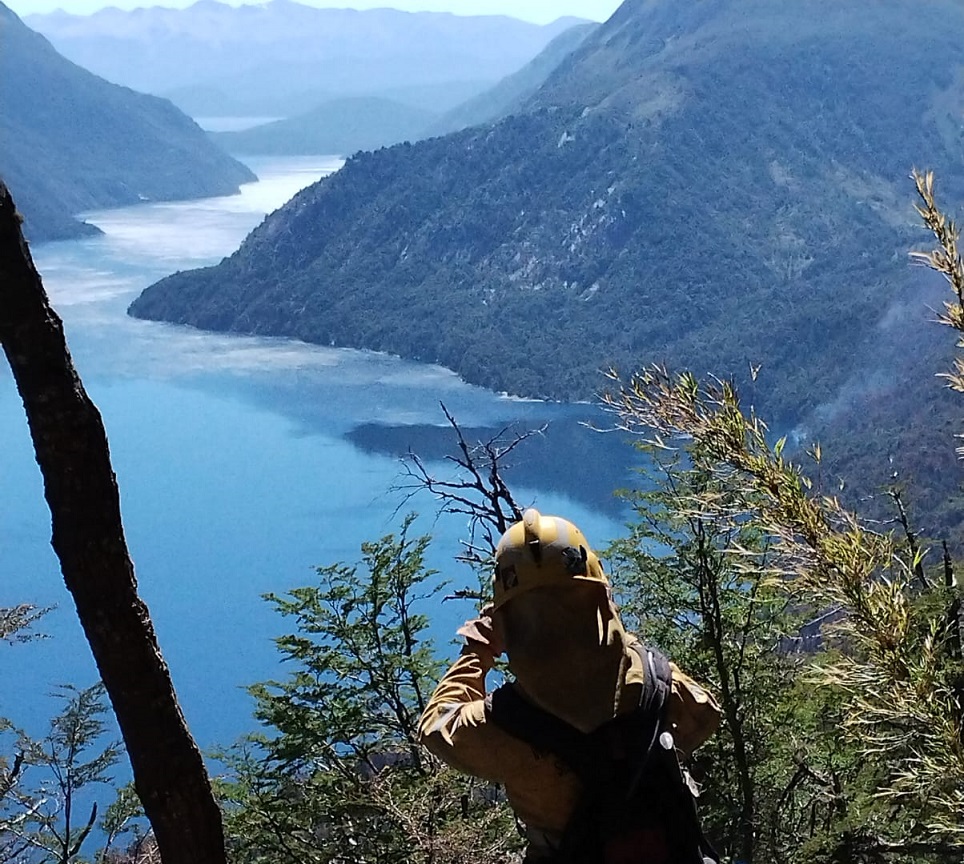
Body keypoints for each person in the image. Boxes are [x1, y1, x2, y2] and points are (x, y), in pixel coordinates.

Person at [418, 508, 722, 863]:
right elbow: (706, 713)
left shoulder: (503, 724)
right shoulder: (655, 682)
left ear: (507, 617)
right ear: (600, 594)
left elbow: (437, 725)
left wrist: (478, 651)